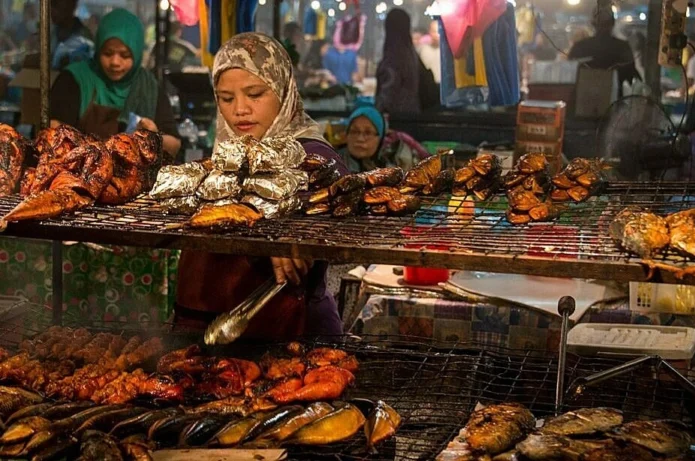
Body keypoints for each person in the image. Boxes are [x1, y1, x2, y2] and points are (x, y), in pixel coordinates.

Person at [175, 33, 346, 339]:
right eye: (226, 98)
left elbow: (337, 201)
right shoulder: (216, 165)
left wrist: (287, 235)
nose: (240, 109)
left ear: (283, 91)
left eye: (254, 94)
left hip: (295, 336)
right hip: (217, 336)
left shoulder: (314, 158)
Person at [49, 8, 181, 157]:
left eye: (125, 55)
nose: (115, 62)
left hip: (133, 178)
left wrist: (155, 137)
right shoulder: (74, 79)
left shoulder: (148, 87)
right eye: (107, 53)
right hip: (77, 174)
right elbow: (52, 129)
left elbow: (174, 144)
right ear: (98, 48)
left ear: (137, 53)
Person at [339, 105, 429, 173]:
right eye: (354, 131)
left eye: (368, 133)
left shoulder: (396, 166)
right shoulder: (335, 163)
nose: (360, 139)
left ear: (380, 138)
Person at [568, 5, 640, 89]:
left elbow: (569, 75)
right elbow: (631, 78)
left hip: (584, 98)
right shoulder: (622, 47)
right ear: (613, 23)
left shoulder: (579, 47)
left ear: (593, 24)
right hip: (614, 100)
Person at [376, 9, 427, 114]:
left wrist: (376, 114)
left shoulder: (393, 57)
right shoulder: (411, 54)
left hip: (395, 121)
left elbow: (388, 95)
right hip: (412, 117)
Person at [417, 20, 441, 84]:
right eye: (434, 31)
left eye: (438, 31)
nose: (436, 34)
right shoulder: (422, 50)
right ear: (430, 32)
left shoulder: (446, 53)